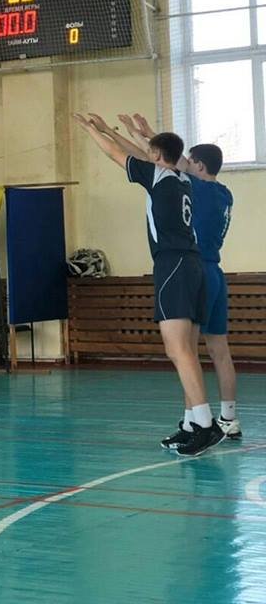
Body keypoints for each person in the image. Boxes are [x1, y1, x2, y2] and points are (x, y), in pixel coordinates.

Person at [73, 113, 224, 457]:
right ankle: (192, 423)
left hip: (173, 264)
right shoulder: (182, 178)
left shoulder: (159, 176)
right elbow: (141, 154)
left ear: (156, 156)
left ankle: (206, 425)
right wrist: (114, 130)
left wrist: (92, 131)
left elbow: (117, 154)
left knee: (177, 350)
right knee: (187, 350)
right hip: (194, 265)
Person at [120, 115, 239, 444]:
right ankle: (228, 419)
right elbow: (167, 160)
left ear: (198, 166)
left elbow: (163, 163)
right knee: (219, 351)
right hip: (215, 272)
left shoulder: (191, 185)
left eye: (191, 161)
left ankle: (199, 423)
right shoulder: (224, 194)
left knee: (186, 350)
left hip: (192, 269)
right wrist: (147, 134)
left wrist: (145, 138)